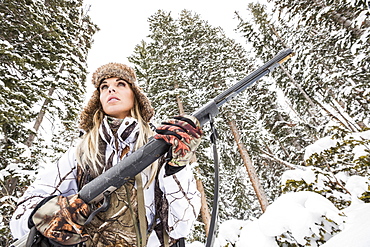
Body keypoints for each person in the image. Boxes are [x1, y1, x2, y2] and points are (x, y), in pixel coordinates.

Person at [10, 63, 202, 246]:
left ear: (135, 95)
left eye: (120, 84)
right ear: (99, 99)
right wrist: (55, 215)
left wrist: (176, 167)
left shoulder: (160, 149)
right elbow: (21, 218)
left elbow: (181, 228)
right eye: (104, 87)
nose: (111, 89)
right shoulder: (81, 154)